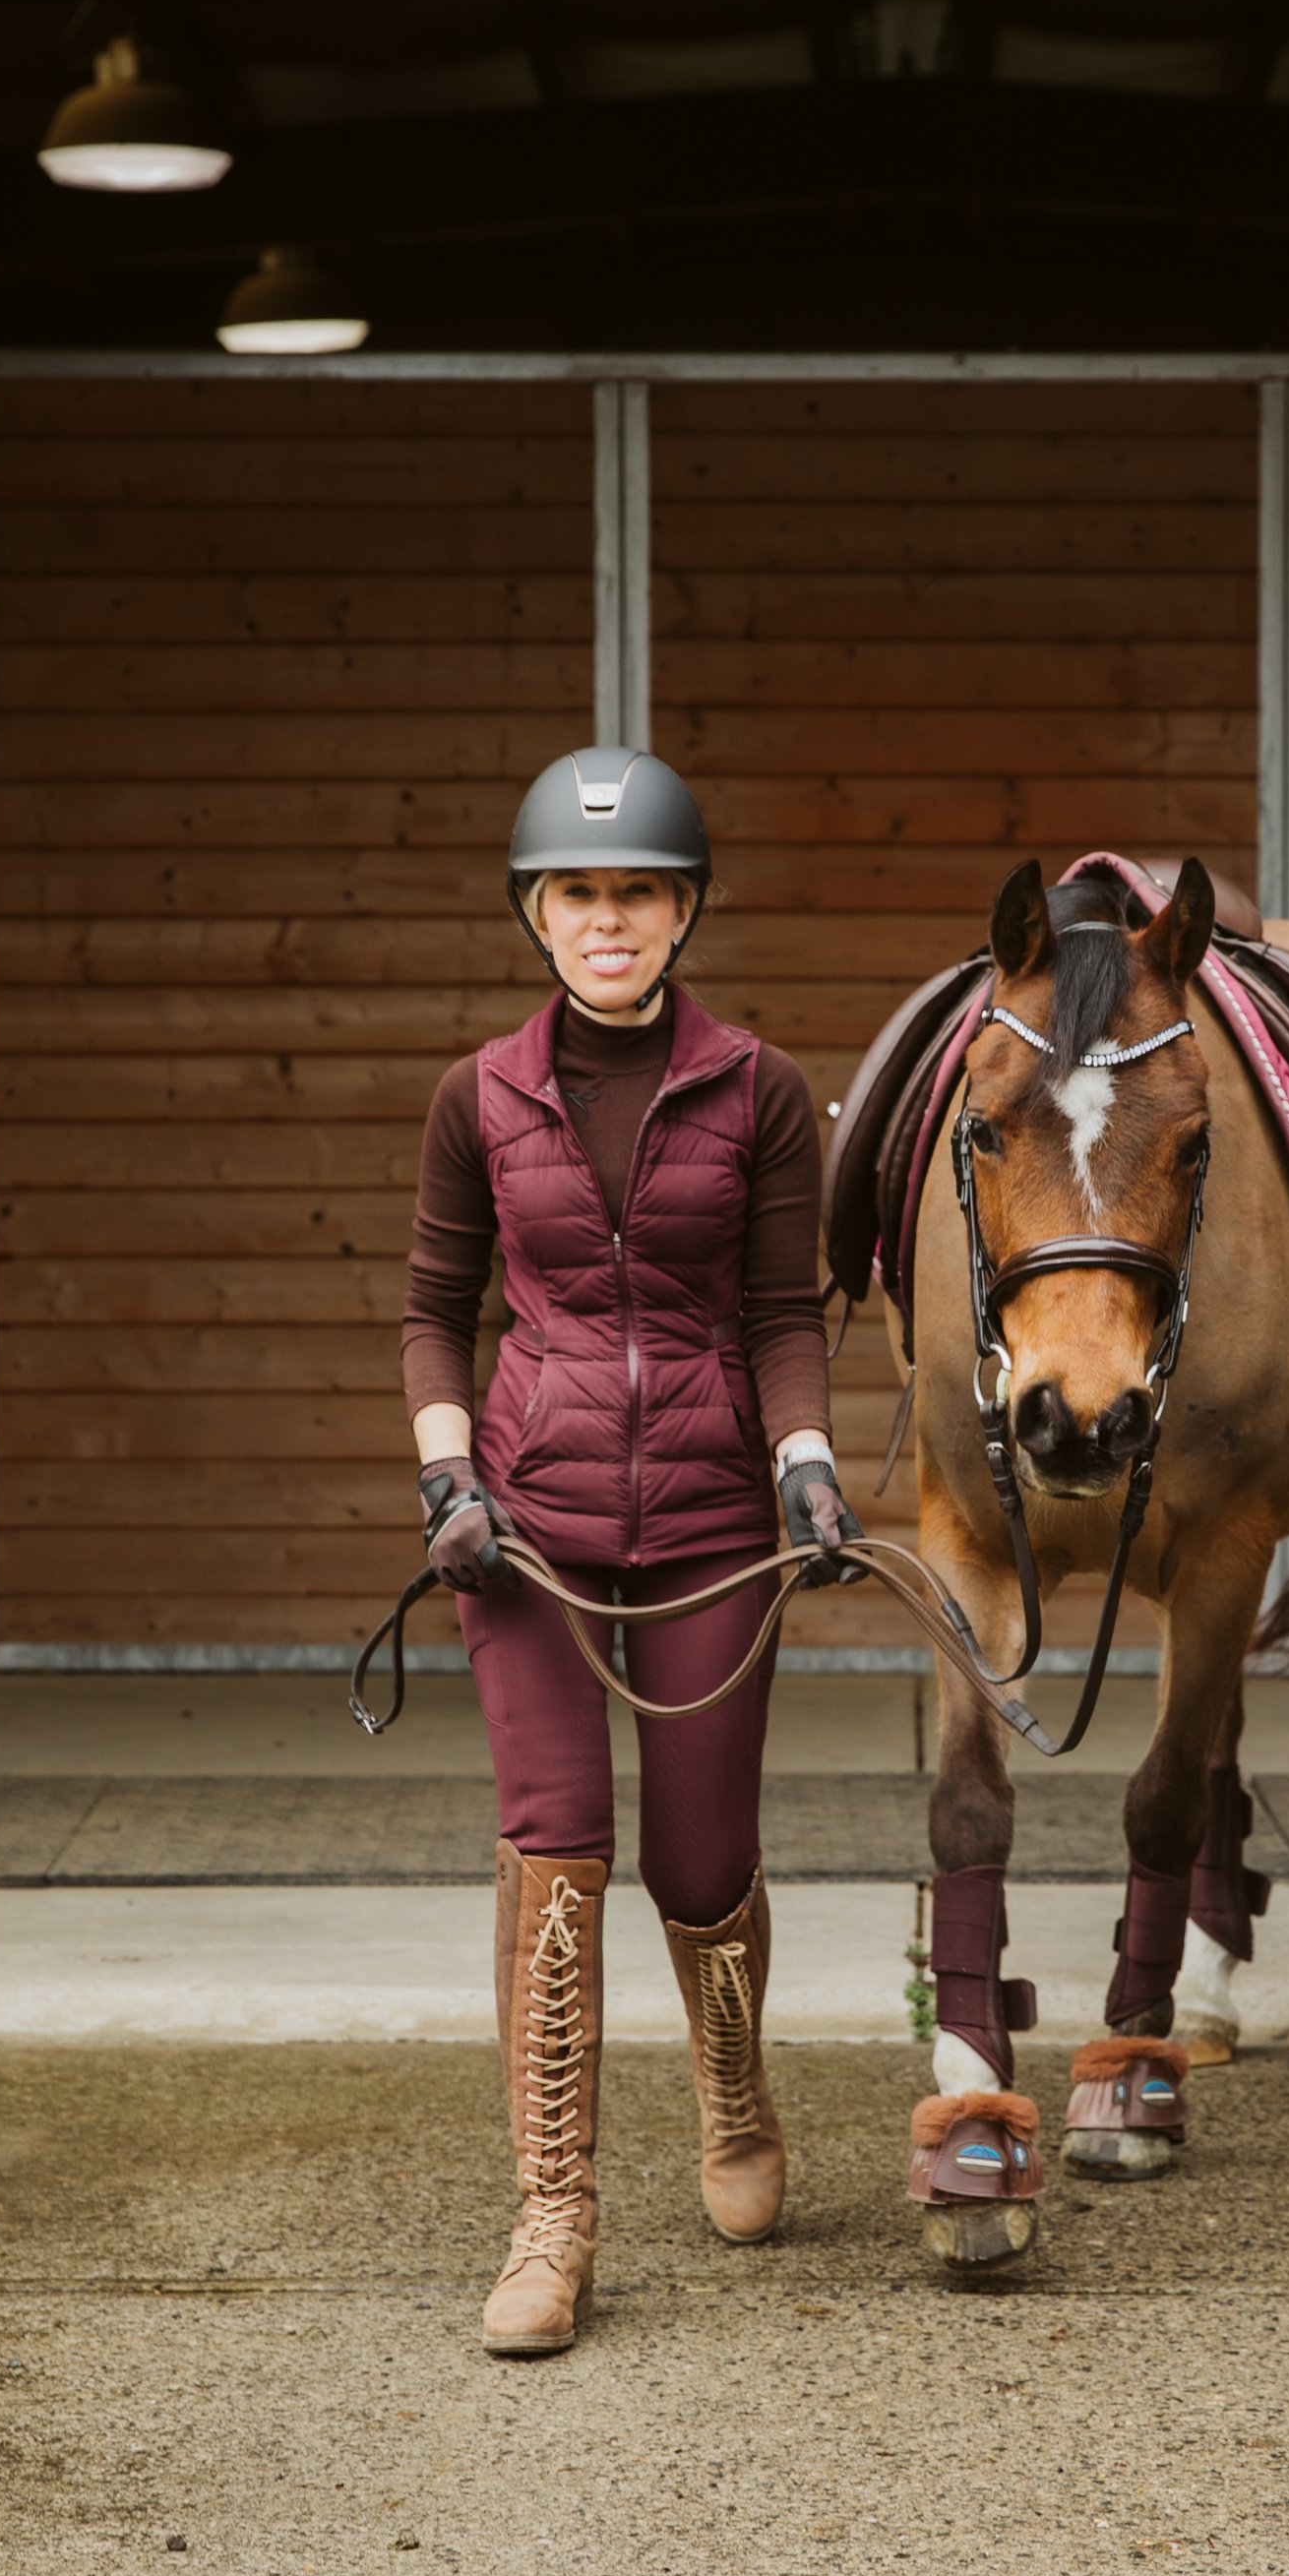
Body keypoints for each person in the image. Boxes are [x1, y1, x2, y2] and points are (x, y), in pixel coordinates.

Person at [400, 745, 864, 2357]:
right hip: (525, 1529)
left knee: (697, 1856)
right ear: (539, 911)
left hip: (714, 1523)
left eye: (640, 892)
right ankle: (554, 2212)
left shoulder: (760, 1091)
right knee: (558, 1841)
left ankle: (732, 2085)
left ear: (683, 911)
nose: (611, 919)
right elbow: (432, 1312)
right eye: (581, 893)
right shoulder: (481, 1093)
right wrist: (448, 1480)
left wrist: (807, 1466)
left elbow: (785, 1311)